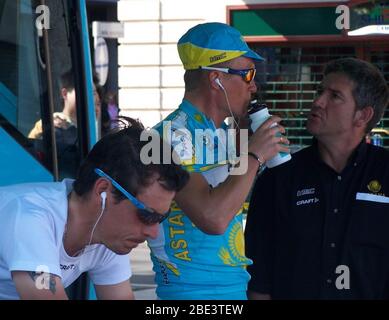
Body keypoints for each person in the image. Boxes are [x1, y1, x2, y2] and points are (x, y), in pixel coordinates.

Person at [147, 22, 290, 300]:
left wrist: (251, 145)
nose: (254, 85)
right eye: (247, 74)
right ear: (217, 79)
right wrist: (254, 154)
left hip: (234, 288)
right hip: (190, 294)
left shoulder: (225, 134)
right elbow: (212, 218)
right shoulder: (164, 137)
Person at [245, 57, 389, 299]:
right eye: (320, 91)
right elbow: (258, 275)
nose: (318, 101)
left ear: (362, 116)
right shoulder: (279, 177)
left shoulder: (384, 171)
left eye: (334, 96)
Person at [0, 118, 189, 300]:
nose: (154, 233)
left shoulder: (107, 232)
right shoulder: (30, 218)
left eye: (161, 218)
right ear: (102, 191)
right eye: (147, 215)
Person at [28, 70, 102, 179]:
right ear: (65, 93)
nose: (92, 99)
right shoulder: (48, 125)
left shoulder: (89, 131)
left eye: (94, 93)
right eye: (86, 92)